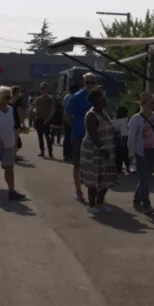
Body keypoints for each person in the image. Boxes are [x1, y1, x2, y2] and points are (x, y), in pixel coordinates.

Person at [80, 89, 116, 215]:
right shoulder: (91, 115)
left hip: (107, 148)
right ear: (95, 101)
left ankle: (100, 201)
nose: (105, 100)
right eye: (103, 98)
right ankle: (92, 204)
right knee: (93, 177)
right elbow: (93, 135)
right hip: (93, 150)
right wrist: (102, 149)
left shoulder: (104, 113)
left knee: (107, 176)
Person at [65, 73, 98, 203]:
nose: (90, 84)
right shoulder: (77, 97)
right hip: (79, 135)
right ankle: (79, 191)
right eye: (87, 82)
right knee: (78, 164)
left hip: (95, 135)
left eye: (92, 82)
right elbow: (67, 116)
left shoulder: (98, 96)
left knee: (94, 164)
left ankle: (93, 191)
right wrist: (76, 127)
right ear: (83, 83)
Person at [34, 82, 55, 158]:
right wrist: (35, 112)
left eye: (44, 88)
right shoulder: (38, 99)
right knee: (40, 136)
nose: (42, 89)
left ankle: (50, 152)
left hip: (46, 120)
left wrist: (47, 119)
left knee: (47, 136)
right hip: (38, 120)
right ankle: (42, 151)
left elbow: (52, 110)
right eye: (41, 88)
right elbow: (36, 108)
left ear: (47, 89)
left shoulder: (50, 98)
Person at [62, 84, 79, 162]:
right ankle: (71, 155)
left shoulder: (66, 97)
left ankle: (66, 155)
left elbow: (63, 108)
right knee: (73, 139)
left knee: (66, 138)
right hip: (74, 120)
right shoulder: (75, 97)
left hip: (66, 120)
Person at [10, 86, 26, 162]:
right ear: (16, 92)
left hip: (8, 122)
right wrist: (23, 123)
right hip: (16, 122)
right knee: (15, 140)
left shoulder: (8, 100)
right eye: (19, 92)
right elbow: (20, 113)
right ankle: (13, 156)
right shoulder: (17, 101)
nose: (20, 93)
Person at [113, 106, 130, 174]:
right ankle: (127, 168)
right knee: (125, 155)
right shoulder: (124, 120)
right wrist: (125, 144)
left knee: (118, 157)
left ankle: (118, 169)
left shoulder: (114, 120)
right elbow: (125, 134)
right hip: (123, 141)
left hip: (115, 142)